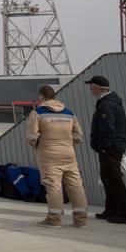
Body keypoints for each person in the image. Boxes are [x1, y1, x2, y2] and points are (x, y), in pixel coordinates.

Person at [27, 84, 87, 228]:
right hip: (68, 153)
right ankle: (81, 220)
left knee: (54, 186)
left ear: (41, 96)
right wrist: (67, 144)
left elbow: (32, 136)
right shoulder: (69, 113)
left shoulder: (37, 112)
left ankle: (54, 220)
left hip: (49, 155)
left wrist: (40, 145)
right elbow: (78, 135)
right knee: (75, 185)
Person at [87, 75, 126, 224]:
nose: (90, 89)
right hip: (111, 146)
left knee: (114, 180)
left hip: (110, 147)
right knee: (107, 179)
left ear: (98, 88)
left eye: (91, 86)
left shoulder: (106, 104)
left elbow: (107, 127)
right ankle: (111, 210)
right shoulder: (108, 102)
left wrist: (104, 146)